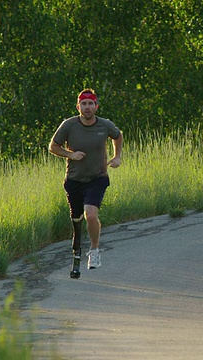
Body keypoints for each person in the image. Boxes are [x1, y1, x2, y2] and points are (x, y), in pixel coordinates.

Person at [49, 88, 123, 277]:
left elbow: (118, 135)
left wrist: (117, 157)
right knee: (76, 220)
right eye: (84, 104)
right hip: (74, 180)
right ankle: (76, 248)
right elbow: (53, 146)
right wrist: (70, 154)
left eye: (91, 104)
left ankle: (94, 250)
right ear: (78, 106)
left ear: (96, 106)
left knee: (90, 214)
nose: (87, 107)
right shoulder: (69, 125)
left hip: (97, 178)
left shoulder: (104, 125)